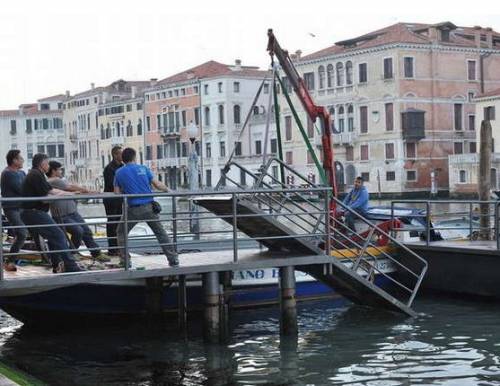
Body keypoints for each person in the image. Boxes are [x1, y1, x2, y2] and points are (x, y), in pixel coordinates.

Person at [114, 147, 178, 267]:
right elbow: (158, 184)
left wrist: (126, 189)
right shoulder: (143, 168)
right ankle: (173, 259)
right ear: (134, 157)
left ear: (123, 159)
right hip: (149, 207)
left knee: (121, 232)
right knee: (161, 233)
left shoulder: (118, 173)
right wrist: (168, 190)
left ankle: (125, 261)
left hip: (132, 208)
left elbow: (117, 193)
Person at [20, 153, 82, 273]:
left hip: (33, 213)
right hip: (34, 213)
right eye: (47, 163)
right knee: (58, 235)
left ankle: (57, 264)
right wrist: (66, 194)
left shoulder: (37, 174)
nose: (48, 166)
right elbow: (46, 195)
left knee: (54, 236)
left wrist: (70, 194)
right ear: (42, 163)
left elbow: (51, 190)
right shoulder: (36, 175)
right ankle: (70, 266)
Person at [46, 161, 110, 262]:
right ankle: (72, 253)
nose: (61, 171)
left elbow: (70, 187)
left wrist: (84, 192)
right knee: (78, 231)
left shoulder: (59, 180)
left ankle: (96, 253)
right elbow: (70, 187)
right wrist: (88, 191)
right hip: (62, 216)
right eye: (59, 169)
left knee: (86, 231)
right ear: (54, 170)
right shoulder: (54, 181)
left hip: (72, 213)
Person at [0, 150, 28, 271]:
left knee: (31, 232)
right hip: (12, 208)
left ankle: (50, 258)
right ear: (14, 160)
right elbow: (22, 189)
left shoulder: (21, 173)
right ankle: (10, 261)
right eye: (20, 158)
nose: (22, 160)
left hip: (22, 208)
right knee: (22, 233)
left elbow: (28, 186)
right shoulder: (7, 173)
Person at [103, 146, 123, 256]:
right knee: (112, 223)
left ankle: (118, 247)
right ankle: (112, 248)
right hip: (111, 199)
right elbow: (111, 184)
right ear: (115, 155)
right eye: (120, 154)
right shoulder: (109, 168)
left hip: (119, 199)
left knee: (119, 222)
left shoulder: (122, 167)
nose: (122, 156)